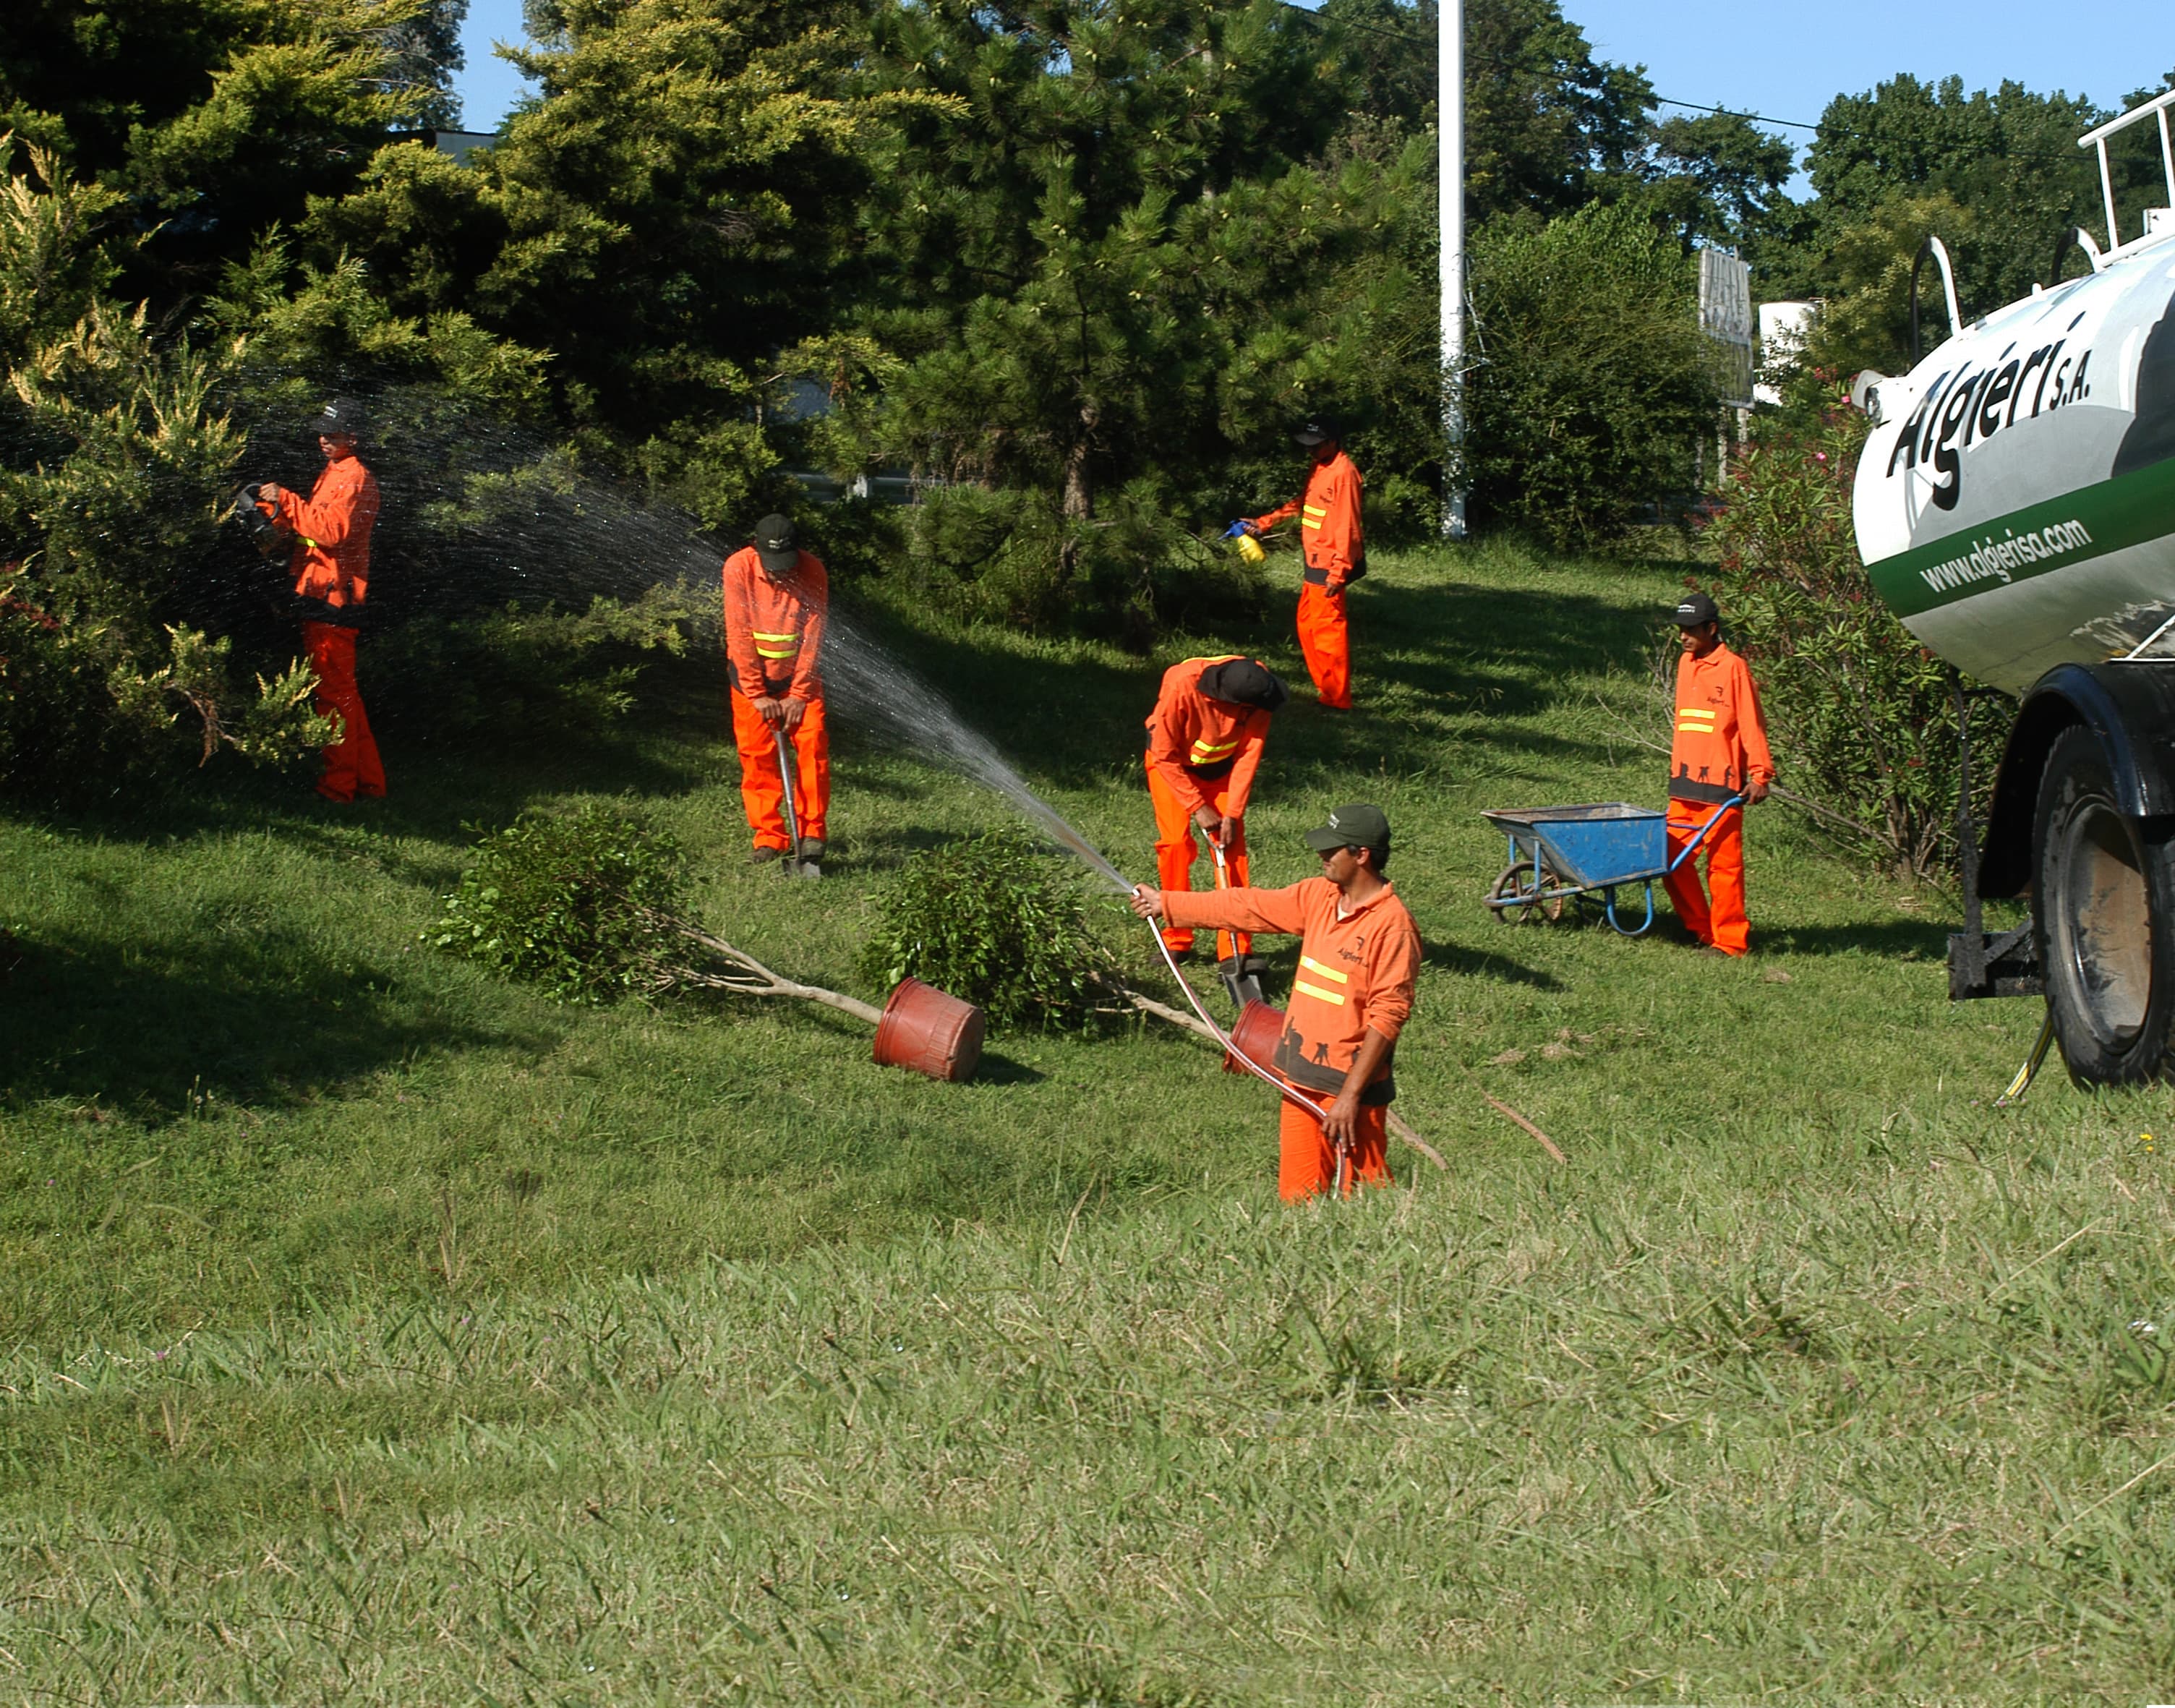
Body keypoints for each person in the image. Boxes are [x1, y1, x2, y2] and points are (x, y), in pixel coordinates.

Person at [1131, 803, 1419, 1202]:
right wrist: (1170, 904)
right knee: (1297, 1199)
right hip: (1299, 1077)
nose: (1322, 856)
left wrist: (1351, 1097)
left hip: (1350, 1091)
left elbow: (1388, 1016)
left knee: (1368, 1198)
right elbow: (1246, 906)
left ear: (1362, 855)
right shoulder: (1320, 895)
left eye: (1332, 850)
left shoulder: (1392, 925)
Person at [254, 397, 384, 802]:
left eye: (334, 433)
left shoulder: (354, 477)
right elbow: (314, 531)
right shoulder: (334, 472)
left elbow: (331, 533)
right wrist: (275, 519)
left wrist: (287, 501)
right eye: (322, 432)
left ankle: (338, 788)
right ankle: (367, 782)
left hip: (335, 601)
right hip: (319, 593)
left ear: (354, 438)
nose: (324, 439)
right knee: (343, 692)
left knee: (334, 695)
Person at [1143, 654, 1289, 970]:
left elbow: (1249, 754)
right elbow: (1164, 754)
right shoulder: (1181, 686)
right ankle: (1177, 937)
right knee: (1176, 845)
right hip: (1172, 768)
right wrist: (1197, 807)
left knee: (1232, 850)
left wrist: (1232, 814)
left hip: (1221, 772)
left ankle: (1235, 948)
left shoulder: (1259, 688)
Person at [1664, 592, 1774, 957]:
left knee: (1724, 868)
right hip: (1683, 785)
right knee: (1669, 859)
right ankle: (1700, 929)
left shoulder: (1734, 667)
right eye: (1681, 629)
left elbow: (1751, 723)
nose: (1684, 636)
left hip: (1722, 788)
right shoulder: (1685, 663)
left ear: (1712, 629)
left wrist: (1760, 774)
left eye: (1691, 629)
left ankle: (1730, 942)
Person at [723, 513, 829, 870]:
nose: (779, 574)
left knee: (812, 749)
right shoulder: (738, 568)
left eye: (785, 566)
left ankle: (811, 834)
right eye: (772, 567)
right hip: (752, 683)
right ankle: (770, 837)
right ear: (756, 550)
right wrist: (758, 694)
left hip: (800, 680)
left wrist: (798, 693)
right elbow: (738, 633)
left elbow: (814, 635)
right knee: (757, 758)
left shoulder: (813, 570)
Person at [1239, 417, 1364, 709]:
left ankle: (1337, 699)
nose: (1310, 451)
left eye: (1316, 445)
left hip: (1330, 565)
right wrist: (1265, 522)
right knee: (1308, 627)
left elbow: (1348, 526)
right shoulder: (1321, 467)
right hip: (1315, 560)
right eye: (1308, 446)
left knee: (1328, 634)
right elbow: (1304, 501)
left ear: (1333, 441)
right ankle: (1327, 690)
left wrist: (1339, 571)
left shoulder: (1344, 473)